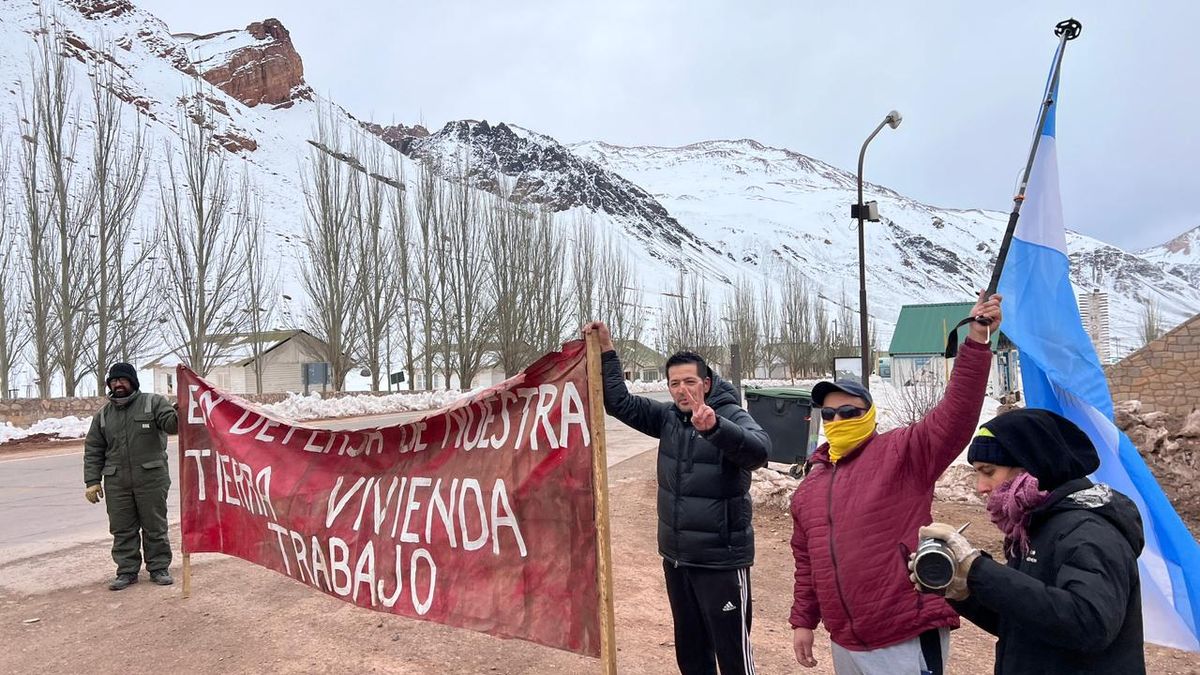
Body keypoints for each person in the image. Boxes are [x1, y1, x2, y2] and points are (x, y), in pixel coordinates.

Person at [789, 292, 1003, 674]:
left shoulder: (903, 452)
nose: (837, 420)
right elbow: (807, 562)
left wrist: (976, 342)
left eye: (848, 412)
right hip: (845, 641)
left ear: (869, 414)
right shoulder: (810, 486)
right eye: (829, 414)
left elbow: (955, 415)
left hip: (905, 632)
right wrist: (803, 621)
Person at [583, 321, 770, 675]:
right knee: (691, 653)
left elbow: (759, 452)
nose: (682, 390)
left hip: (720, 562)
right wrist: (607, 350)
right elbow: (619, 403)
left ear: (707, 383)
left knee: (733, 657)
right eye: (674, 383)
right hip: (677, 560)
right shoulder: (668, 418)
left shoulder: (730, 414)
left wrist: (715, 428)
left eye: (690, 382)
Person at [912, 408, 1146, 674]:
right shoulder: (1034, 525)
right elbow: (1026, 622)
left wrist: (978, 570)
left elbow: (1090, 624)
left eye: (988, 471)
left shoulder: (1089, 531)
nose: (980, 487)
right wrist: (964, 591)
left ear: (1032, 466)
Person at [84, 362, 179, 591]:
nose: (118, 384)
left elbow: (172, 425)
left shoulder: (153, 403)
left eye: (122, 380)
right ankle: (127, 571)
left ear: (133, 382)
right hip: (117, 482)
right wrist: (92, 481)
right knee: (122, 528)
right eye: (114, 381)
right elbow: (94, 449)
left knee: (154, 526)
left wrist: (180, 410)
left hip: (151, 479)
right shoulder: (103, 415)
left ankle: (158, 568)